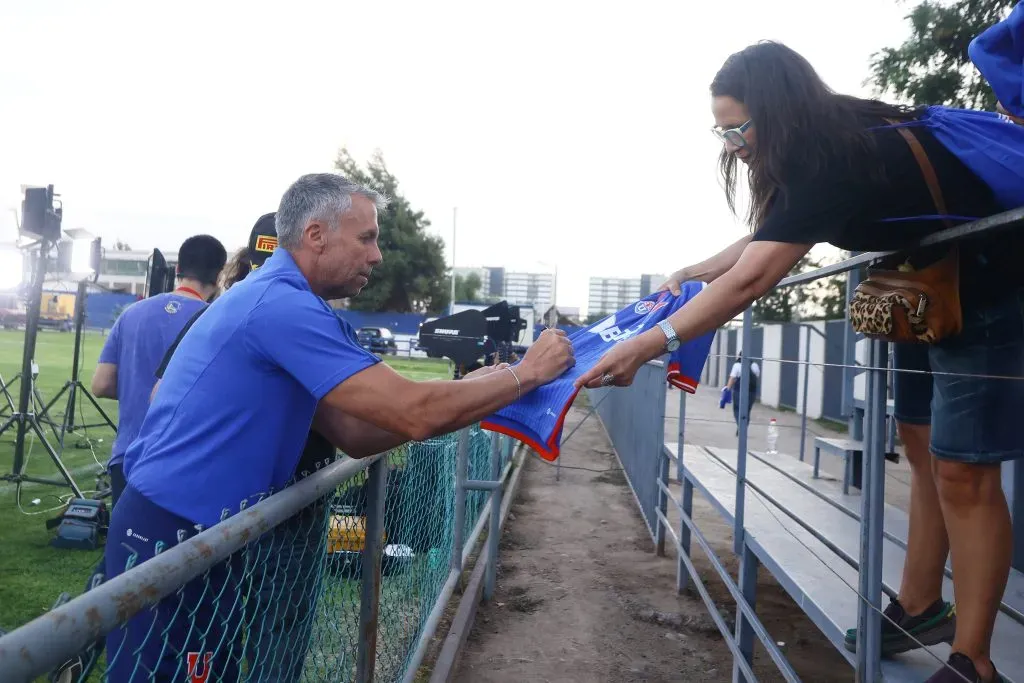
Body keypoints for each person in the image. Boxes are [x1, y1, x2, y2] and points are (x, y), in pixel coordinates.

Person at [577, 42, 1023, 683]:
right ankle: (923, 607)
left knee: (964, 473)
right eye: (720, 129)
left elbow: (753, 279)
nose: (730, 142)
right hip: (930, 284)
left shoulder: (832, 157)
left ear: (778, 112)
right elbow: (766, 236)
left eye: (738, 127)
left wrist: (649, 344)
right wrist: (692, 272)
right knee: (921, 447)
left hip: (985, 284)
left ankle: (974, 661)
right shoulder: (823, 140)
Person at [103, 173, 574, 683]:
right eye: (366, 237)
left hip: (201, 531)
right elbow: (412, 409)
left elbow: (355, 430)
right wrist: (521, 375)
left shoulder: (287, 299)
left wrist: (481, 392)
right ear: (316, 235)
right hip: (171, 529)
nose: (377, 256)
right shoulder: (282, 305)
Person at [91, 234, 227, 504]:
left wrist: (137, 388)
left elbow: (102, 384)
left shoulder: (132, 313)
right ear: (219, 275)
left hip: (128, 456)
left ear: (178, 270)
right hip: (186, 462)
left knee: (126, 544)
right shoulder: (218, 320)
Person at [726, 351, 759, 434]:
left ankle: (741, 427)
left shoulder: (737, 365)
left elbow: (732, 378)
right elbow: (757, 377)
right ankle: (743, 428)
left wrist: (728, 389)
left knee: (737, 409)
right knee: (747, 411)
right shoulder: (754, 365)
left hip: (739, 391)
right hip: (751, 392)